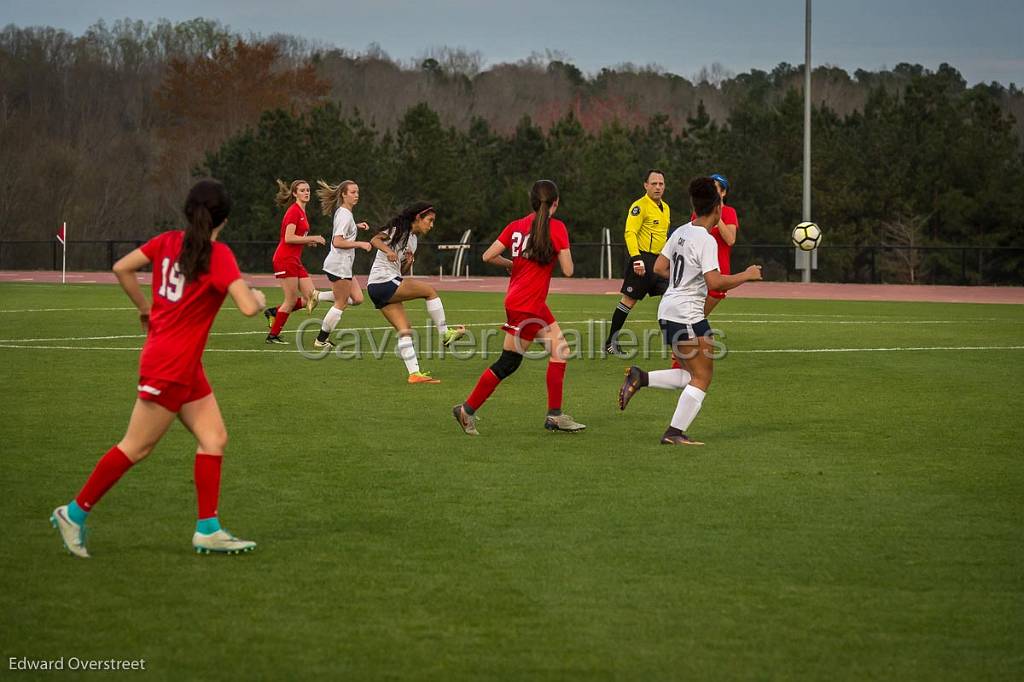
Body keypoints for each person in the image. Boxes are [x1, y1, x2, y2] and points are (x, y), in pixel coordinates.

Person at [50, 179, 267, 558]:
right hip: (169, 366)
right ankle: (73, 513)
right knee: (136, 446)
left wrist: (144, 308)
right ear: (225, 219)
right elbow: (248, 307)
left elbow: (122, 268)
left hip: (182, 364)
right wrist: (259, 297)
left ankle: (208, 529)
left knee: (214, 438)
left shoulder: (167, 241)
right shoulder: (218, 255)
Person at [617, 176, 762, 445]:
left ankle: (641, 377)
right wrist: (747, 275)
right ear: (718, 209)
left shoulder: (681, 231)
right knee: (703, 376)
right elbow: (715, 282)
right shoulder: (705, 239)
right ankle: (674, 433)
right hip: (686, 313)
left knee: (689, 375)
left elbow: (659, 267)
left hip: (671, 309)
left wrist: (682, 281)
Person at [453, 179, 586, 435]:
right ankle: (466, 410)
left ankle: (555, 415)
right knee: (508, 363)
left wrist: (511, 264)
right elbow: (569, 270)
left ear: (532, 202)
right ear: (556, 203)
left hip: (526, 301)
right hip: (528, 305)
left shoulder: (516, 226)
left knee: (560, 349)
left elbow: (487, 256)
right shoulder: (556, 227)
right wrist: (558, 251)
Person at [366, 202, 465, 383]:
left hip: (379, 285)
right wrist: (388, 250)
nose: (431, 225)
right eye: (430, 220)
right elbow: (374, 240)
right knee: (430, 291)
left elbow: (400, 273)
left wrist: (408, 262)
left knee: (405, 330)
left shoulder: (413, 240)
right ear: (418, 217)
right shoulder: (397, 229)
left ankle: (414, 374)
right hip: (383, 281)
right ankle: (445, 333)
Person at [604, 169, 671, 355]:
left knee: (670, 296)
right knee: (628, 301)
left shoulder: (665, 207)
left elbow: (664, 236)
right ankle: (611, 342)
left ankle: (672, 339)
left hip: (659, 261)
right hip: (642, 259)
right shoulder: (639, 206)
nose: (658, 187)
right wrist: (636, 259)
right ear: (646, 185)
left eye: (661, 184)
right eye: (654, 183)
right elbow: (630, 232)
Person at [312, 179, 372, 349]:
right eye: (353, 192)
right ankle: (321, 340)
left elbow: (343, 230)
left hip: (343, 265)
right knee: (342, 303)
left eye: (357, 192)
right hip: (339, 265)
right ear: (343, 194)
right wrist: (360, 243)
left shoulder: (344, 212)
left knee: (358, 298)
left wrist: (356, 226)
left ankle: (317, 296)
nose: (356, 195)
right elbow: (337, 241)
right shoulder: (345, 215)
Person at [265, 179, 326, 344]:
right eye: (302, 190)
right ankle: (273, 336)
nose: (306, 193)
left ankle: (274, 312)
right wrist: (313, 238)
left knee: (311, 298)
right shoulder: (293, 211)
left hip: (294, 260)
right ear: (294, 193)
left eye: (308, 190)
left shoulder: (301, 211)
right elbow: (288, 238)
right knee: (291, 301)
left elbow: (295, 237)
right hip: (285, 259)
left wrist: (308, 241)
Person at [692, 173, 740, 316]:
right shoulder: (698, 213)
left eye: (715, 189)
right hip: (698, 269)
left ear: (723, 192)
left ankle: (691, 333)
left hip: (719, 270)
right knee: (693, 314)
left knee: (699, 315)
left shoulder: (729, 212)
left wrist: (716, 216)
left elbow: (730, 240)